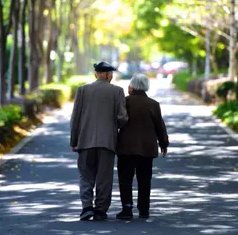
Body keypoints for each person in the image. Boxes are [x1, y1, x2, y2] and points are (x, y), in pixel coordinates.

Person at [70, 61, 128, 221]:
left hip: (85, 140)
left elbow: (75, 118)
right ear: (109, 75)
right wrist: (114, 126)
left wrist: (74, 140)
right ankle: (101, 210)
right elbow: (122, 118)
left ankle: (87, 207)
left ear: (96, 74)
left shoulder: (82, 90)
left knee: (85, 175)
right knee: (104, 177)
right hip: (107, 142)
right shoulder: (117, 91)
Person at [116, 73, 169, 220]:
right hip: (147, 148)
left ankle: (127, 209)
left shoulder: (124, 102)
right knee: (144, 179)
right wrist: (163, 143)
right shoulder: (153, 104)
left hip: (126, 147)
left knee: (125, 179)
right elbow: (160, 126)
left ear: (132, 87)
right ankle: (144, 209)